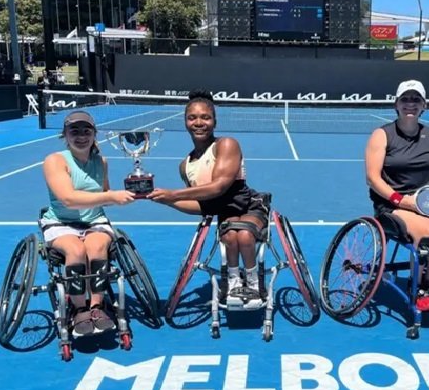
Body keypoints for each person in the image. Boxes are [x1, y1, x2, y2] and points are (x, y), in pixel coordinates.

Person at [148, 90, 270, 308]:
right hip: (225, 212)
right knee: (230, 237)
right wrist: (162, 199)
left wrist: (173, 194)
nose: (198, 123)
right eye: (192, 117)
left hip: (249, 205)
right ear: (185, 122)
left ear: (215, 121)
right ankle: (233, 281)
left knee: (244, 235)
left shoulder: (227, 144)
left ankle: (253, 282)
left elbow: (219, 186)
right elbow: (201, 205)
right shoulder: (185, 166)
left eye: (205, 117)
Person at [365, 79, 429, 312]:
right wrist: (403, 201)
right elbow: (373, 178)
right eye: (405, 99)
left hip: (425, 202)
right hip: (392, 204)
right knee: (428, 235)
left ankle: (428, 283)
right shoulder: (381, 135)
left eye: (416, 99)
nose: (410, 104)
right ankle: (415, 287)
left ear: (424, 105)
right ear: (396, 104)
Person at [40, 110, 136, 336]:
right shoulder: (55, 160)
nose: (81, 136)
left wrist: (136, 191)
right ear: (65, 135)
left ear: (94, 134)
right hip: (61, 222)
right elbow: (68, 199)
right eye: (74, 131)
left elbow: (103, 195)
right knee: (76, 250)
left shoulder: (101, 162)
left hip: (94, 220)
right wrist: (111, 196)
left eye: (86, 131)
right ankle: (79, 308)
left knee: (97, 247)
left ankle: (96, 306)